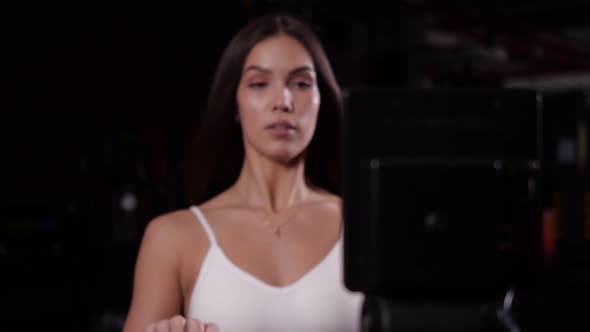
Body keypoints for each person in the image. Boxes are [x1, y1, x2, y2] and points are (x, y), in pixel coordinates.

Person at [122, 13, 364, 332]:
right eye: (259, 83)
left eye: (302, 83)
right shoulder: (174, 238)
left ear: (322, 100)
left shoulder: (363, 226)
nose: (284, 101)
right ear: (235, 102)